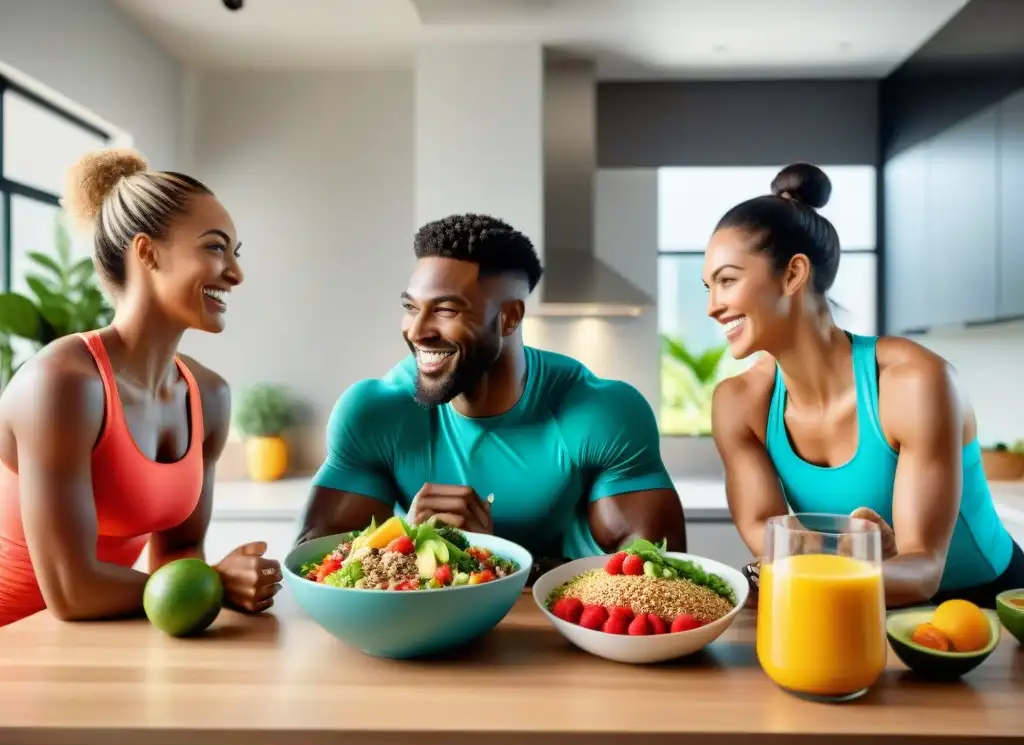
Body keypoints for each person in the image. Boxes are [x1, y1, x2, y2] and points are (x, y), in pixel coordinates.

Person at [707, 162, 1024, 609]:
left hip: (991, 604)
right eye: (708, 286)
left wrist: (820, 562)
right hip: (860, 596)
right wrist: (849, 553)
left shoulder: (915, 382)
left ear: (794, 274)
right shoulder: (739, 404)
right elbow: (764, 530)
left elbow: (923, 570)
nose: (712, 306)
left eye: (726, 281)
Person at [297, 213, 685, 571]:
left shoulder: (600, 413)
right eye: (412, 308)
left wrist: (494, 557)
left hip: (558, 629)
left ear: (509, 317)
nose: (417, 331)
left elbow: (658, 570)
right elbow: (311, 561)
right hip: (419, 630)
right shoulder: (373, 413)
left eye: (446, 310)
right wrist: (407, 540)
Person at [0, 148, 283, 628]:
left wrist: (214, 579)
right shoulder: (62, 385)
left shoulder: (208, 396)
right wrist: (214, 582)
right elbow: (71, 590)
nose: (235, 274)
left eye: (235, 253)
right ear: (147, 252)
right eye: (215, 248)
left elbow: (177, 554)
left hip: (99, 637)